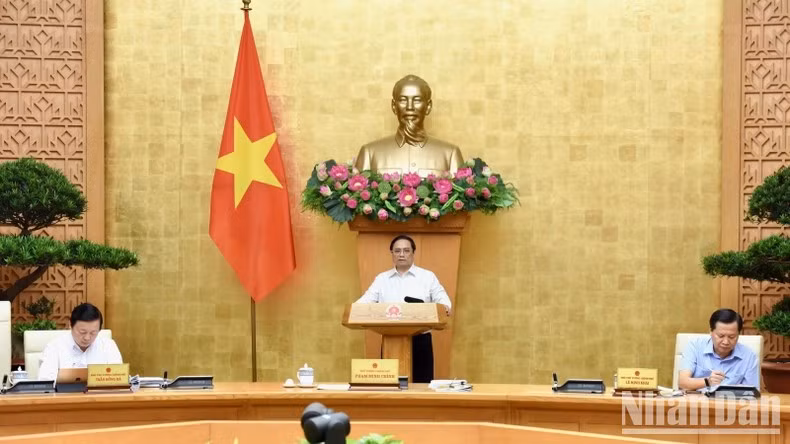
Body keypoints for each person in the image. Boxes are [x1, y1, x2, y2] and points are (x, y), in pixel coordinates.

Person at [355, 234, 451, 383]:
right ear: (392, 254)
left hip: (420, 340)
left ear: (413, 253)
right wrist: (354, 311)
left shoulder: (427, 277)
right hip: (390, 341)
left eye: (406, 250)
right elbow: (364, 303)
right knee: (390, 389)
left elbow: (444, 303)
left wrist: (441, 308)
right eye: (397, 251)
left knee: (421, 388)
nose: (401, 254)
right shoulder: (382, 279)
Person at [354, 74, 465, 177]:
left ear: (428, 106)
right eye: (403, 100)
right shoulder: (370, 153)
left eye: (417, 100)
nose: (410, 107)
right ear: (394, 106)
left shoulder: (450, 154)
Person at [677, 308, 759, 390]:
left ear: (738, 334)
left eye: (732, 337)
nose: (726, 342)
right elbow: (682, 383)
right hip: (698, 401)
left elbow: (752, 392)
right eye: (721, 336)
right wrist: (708, 381)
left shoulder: (749, 356)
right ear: (711, 332)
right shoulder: (695, 347)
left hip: (731, 401)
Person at [37, 303, 122, 381]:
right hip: (66, 396)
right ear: (70, 325)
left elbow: (119, 379)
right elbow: (46, 382)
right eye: (82, 332)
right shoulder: (54, 347)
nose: (87, 338)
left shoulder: (108, 346)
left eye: (93, 333)